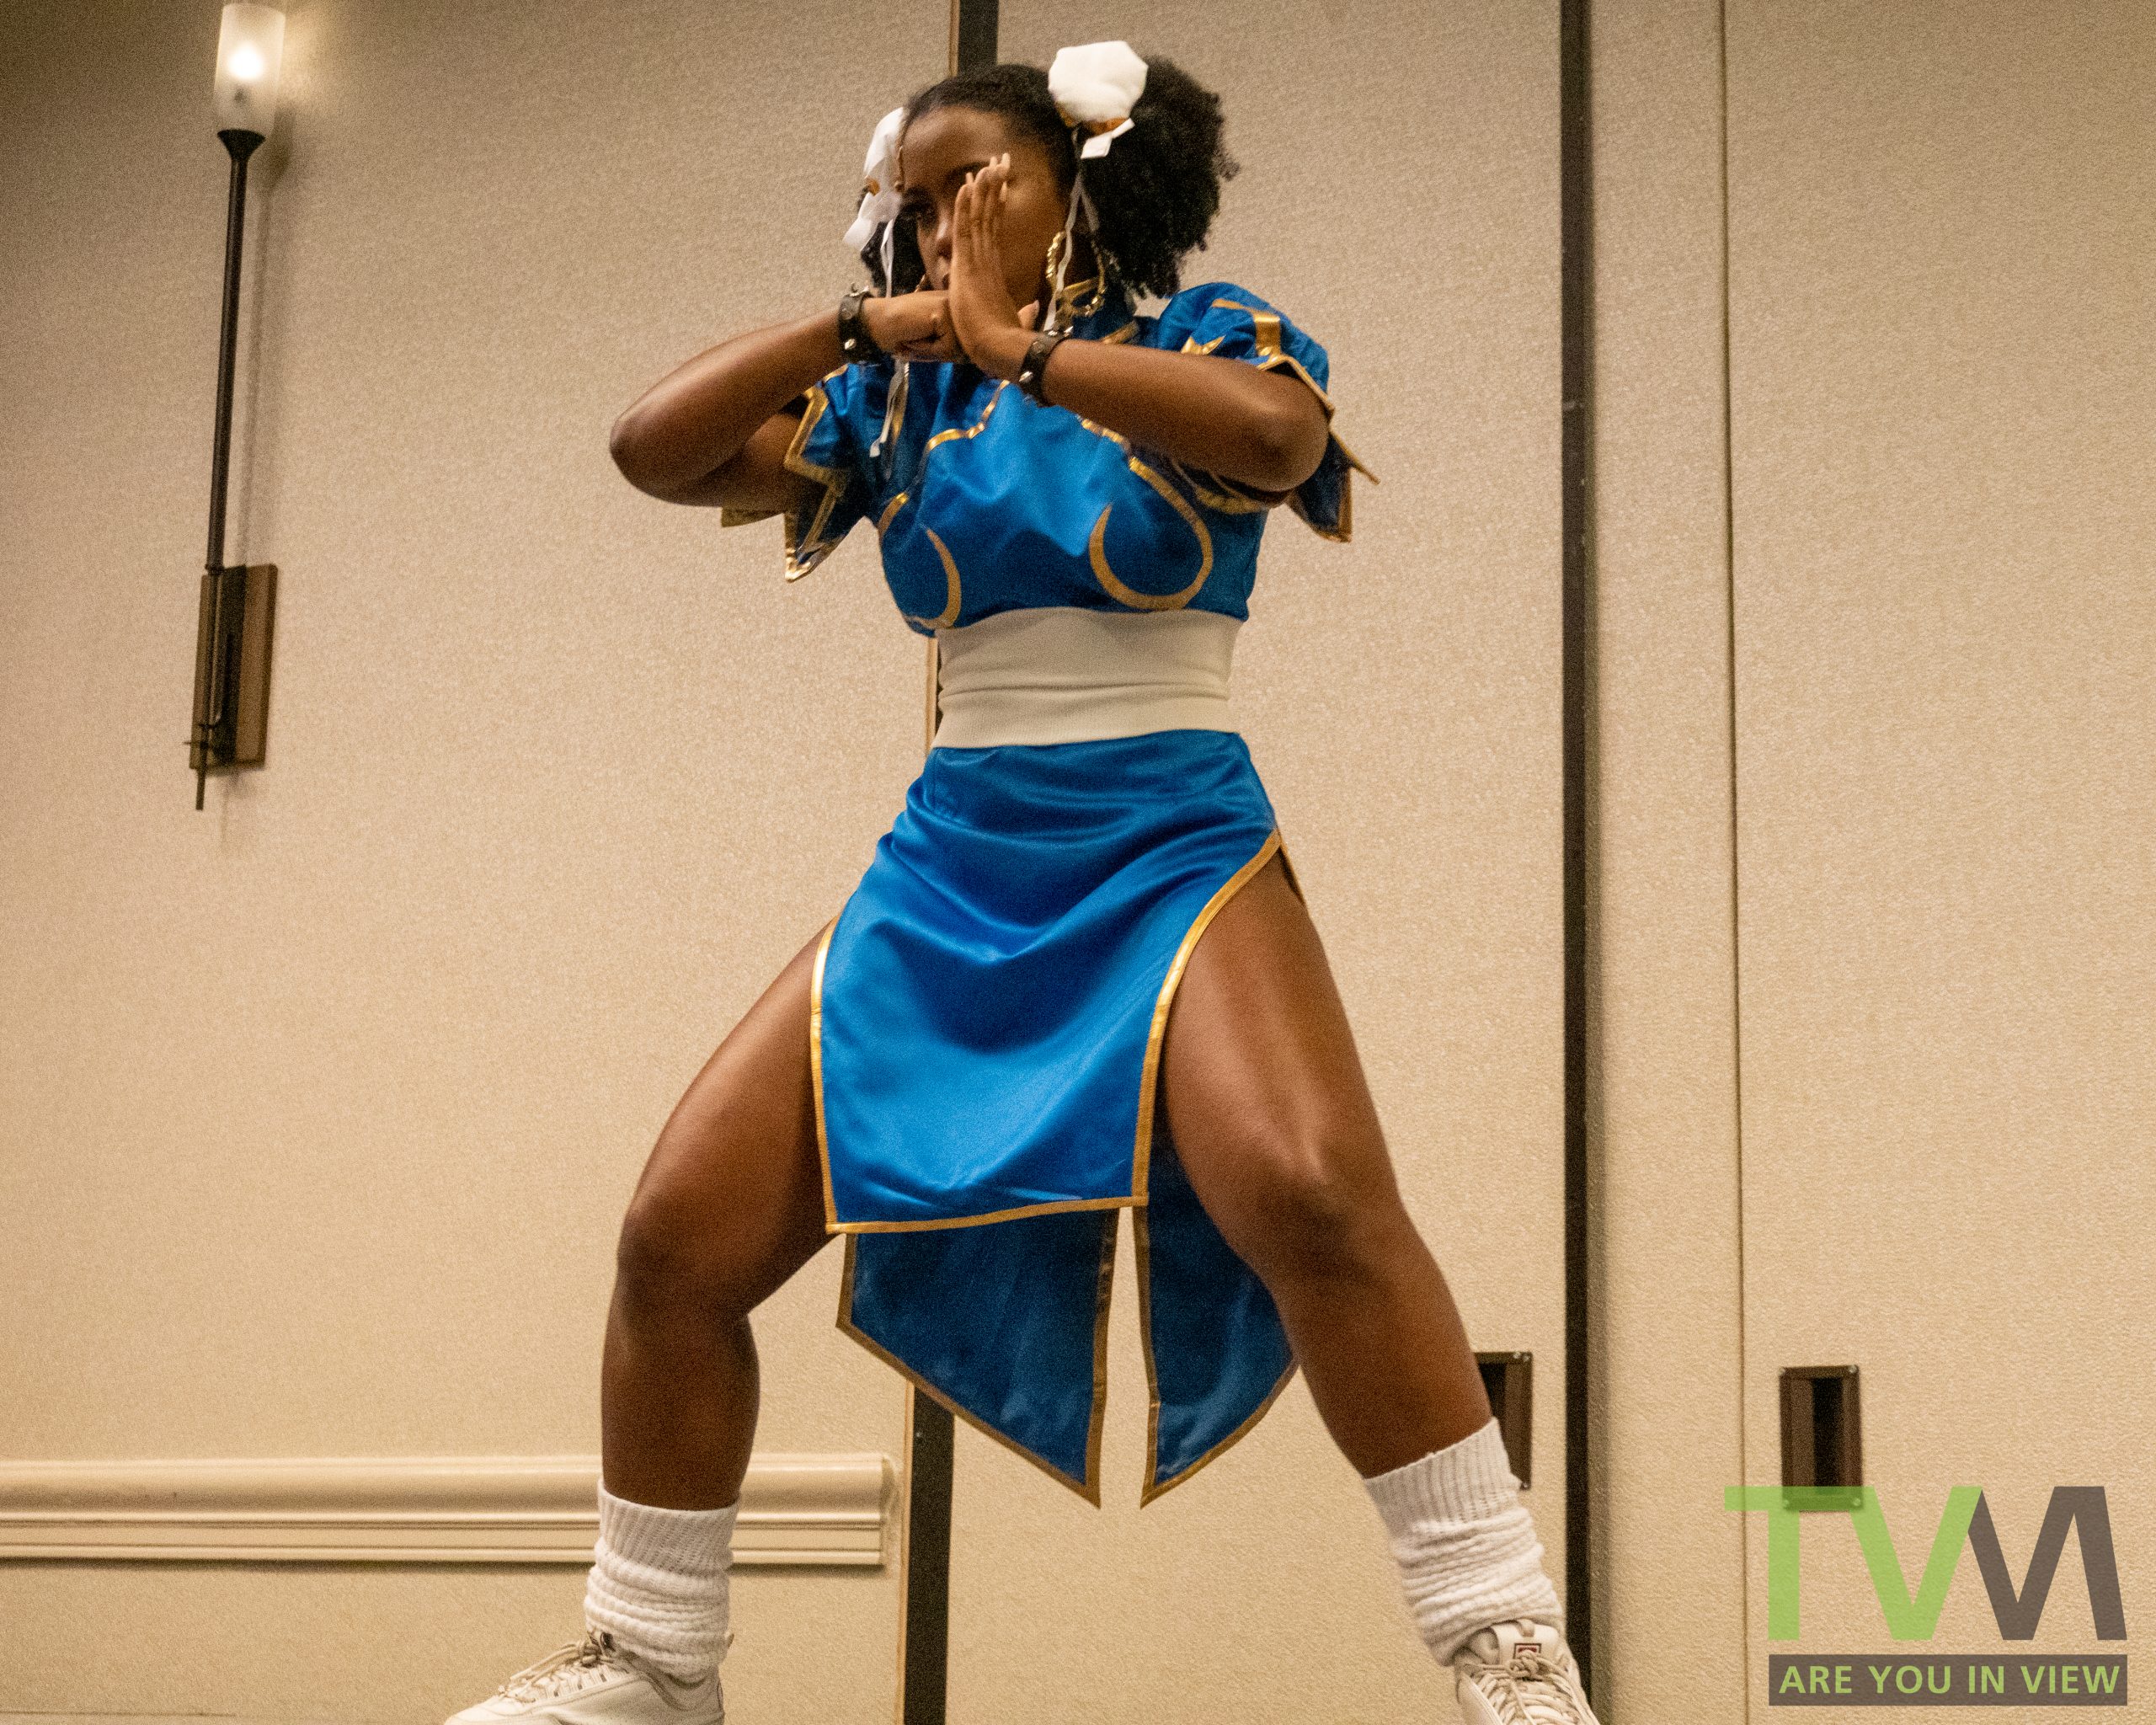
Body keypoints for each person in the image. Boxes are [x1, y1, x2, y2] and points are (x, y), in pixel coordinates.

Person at [446, 43, 1601, 1725]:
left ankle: (1506, 1646)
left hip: (1170, 835)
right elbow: (652, 448)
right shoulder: (897, 399)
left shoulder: (1204, 339)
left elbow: (1278, 439)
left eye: (972, 186)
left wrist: (1024, 348)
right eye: (911, 202)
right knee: (673, 1239)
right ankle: (648, 1661)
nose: (938, 225)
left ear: (1085, 182)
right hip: (957, 853)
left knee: (1312, 1193)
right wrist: (862, 329)